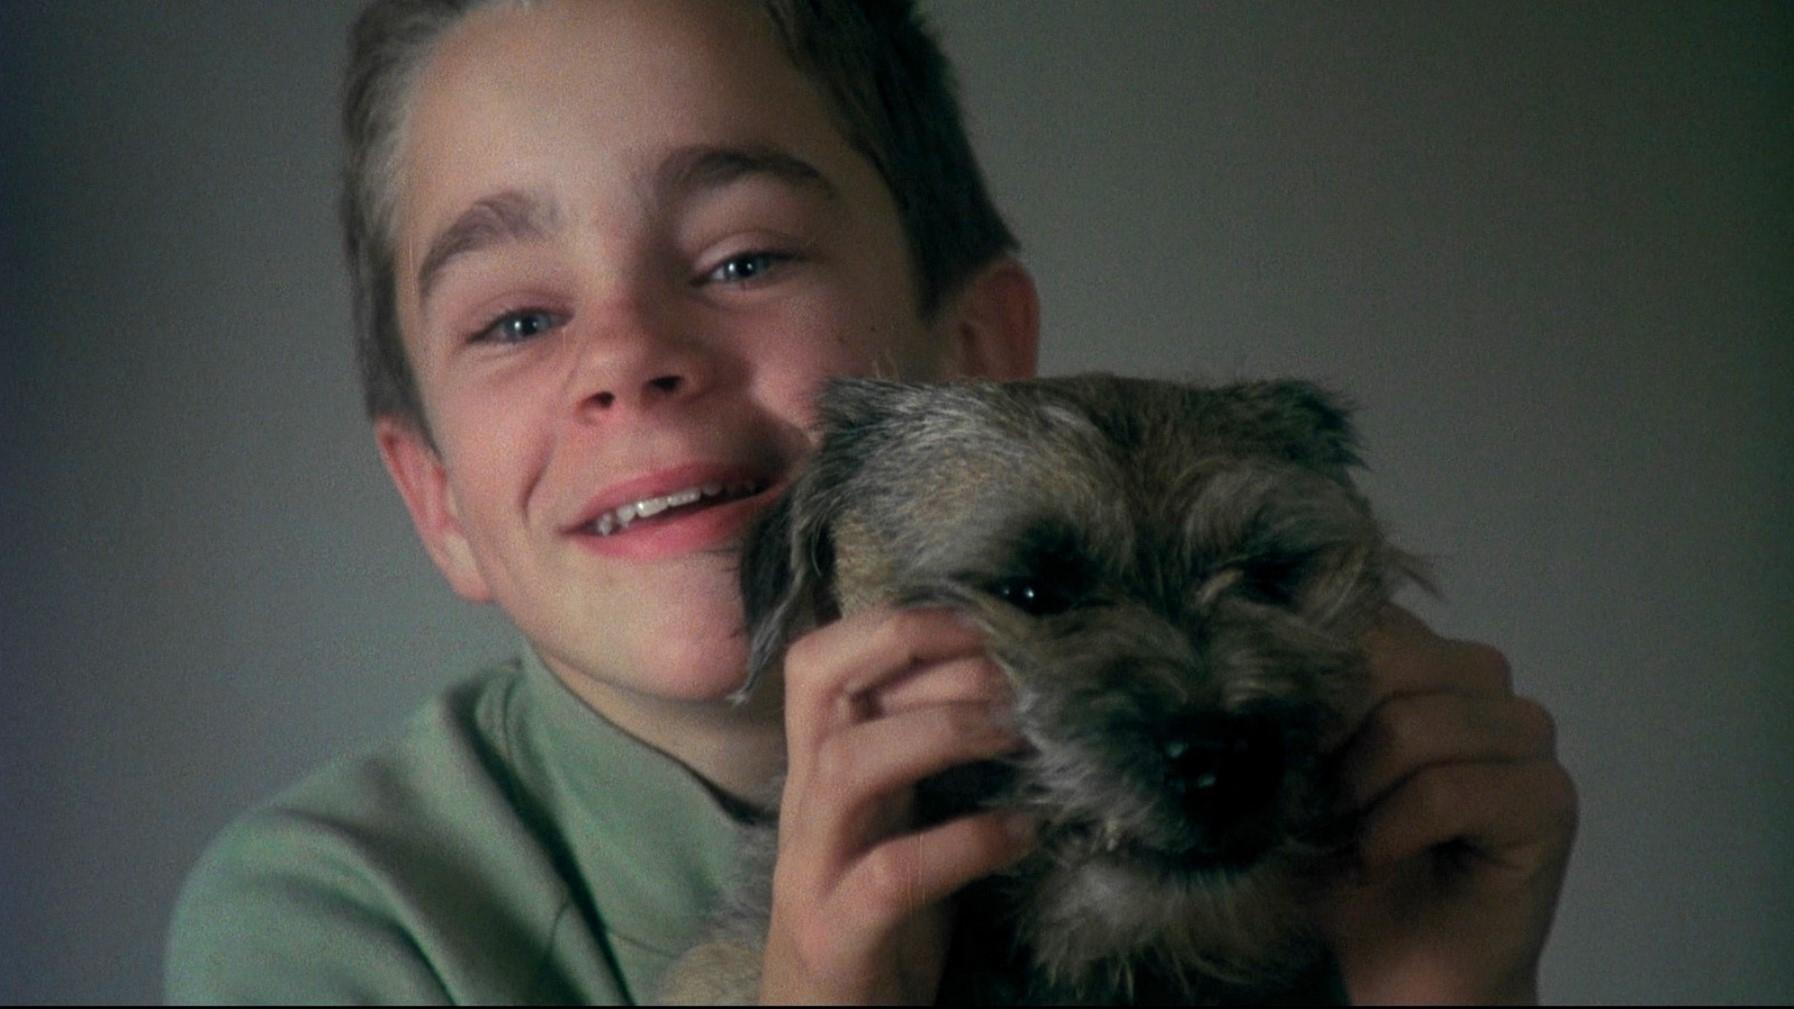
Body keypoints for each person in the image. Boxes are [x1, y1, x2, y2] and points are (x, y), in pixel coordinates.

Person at [166, 0, 1577, 1002]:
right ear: (437, 502)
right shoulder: (330, 922)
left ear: (975, 360)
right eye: (517, 319)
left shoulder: (1321, 851)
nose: (627, 359)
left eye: (742, 260)